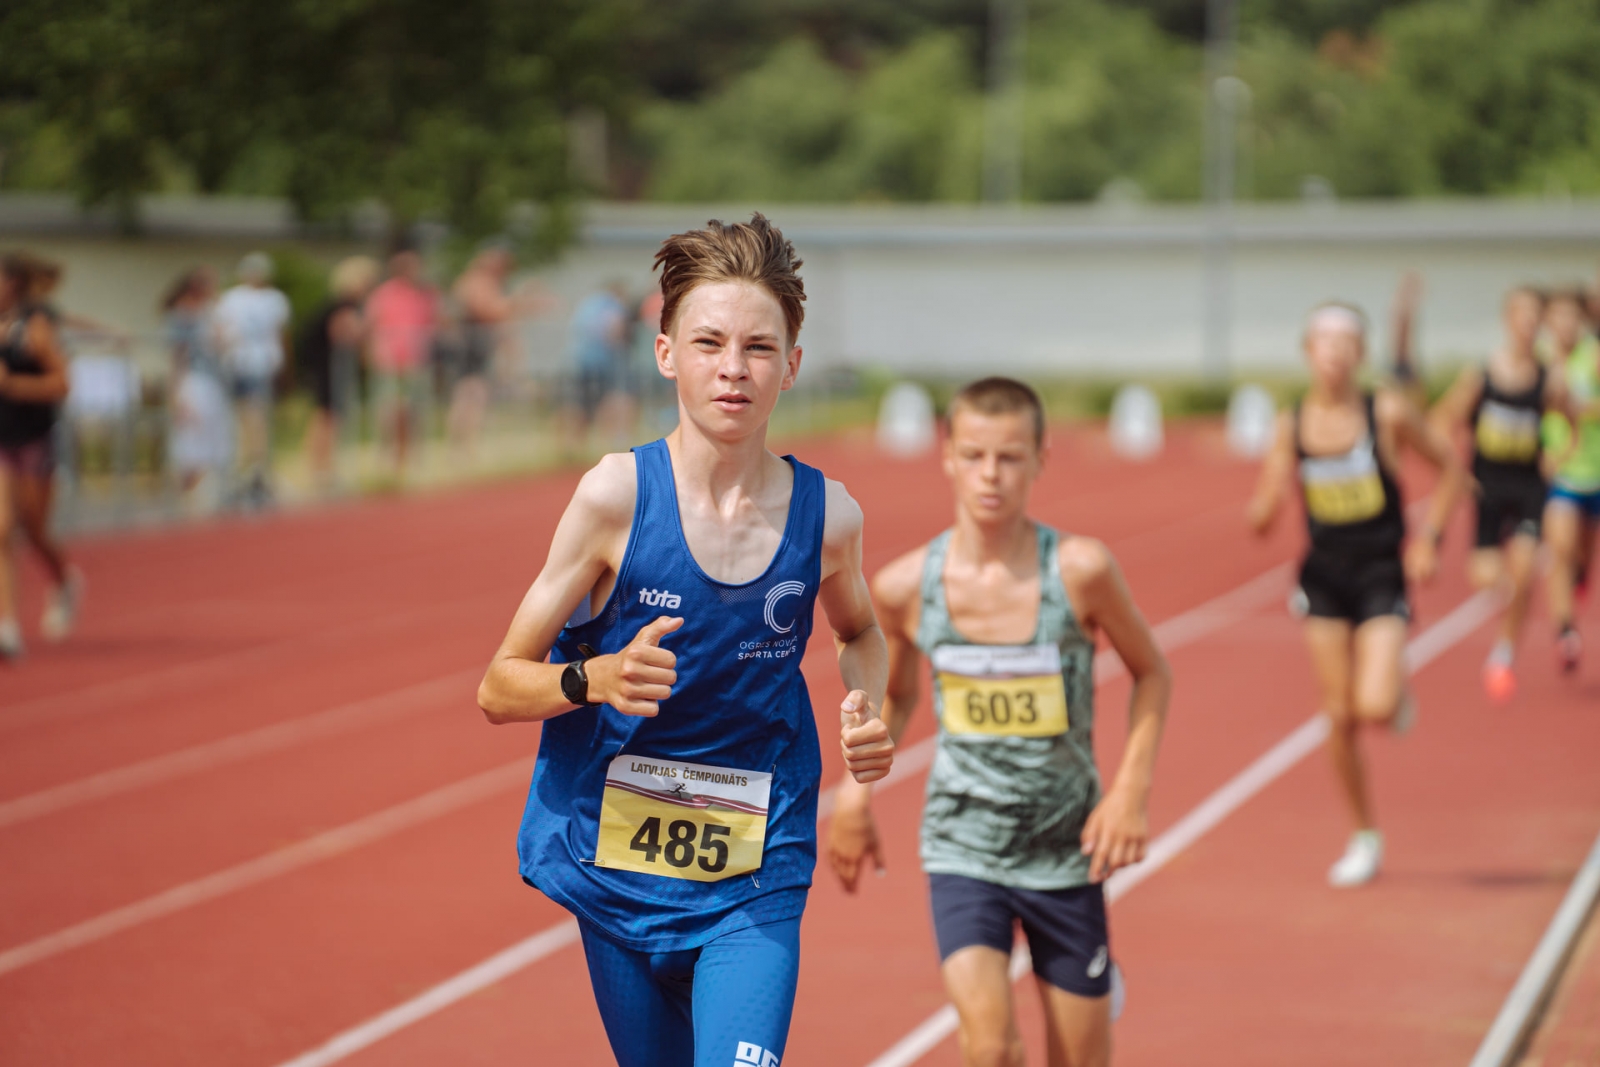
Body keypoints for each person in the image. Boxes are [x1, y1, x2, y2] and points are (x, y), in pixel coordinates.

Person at [477, 214, 893, 1067]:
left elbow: (861, 633)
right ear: (666, 352)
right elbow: (498, 685)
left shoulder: (831, 517)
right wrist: (592, 677)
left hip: (754, 870)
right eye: (708, 342)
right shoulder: (615, 498)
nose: (732, 369)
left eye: (758, 348)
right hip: (615, 872)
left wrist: (867, 704)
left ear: (793, 366)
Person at [826, 377, 1170, 1067]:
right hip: (963, 843)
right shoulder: (903, 588)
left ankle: (1094, 987)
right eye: (975, 454)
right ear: (948, 455)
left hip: (1066, 847)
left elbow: (1152, 672)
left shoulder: (1079, 570)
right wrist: (854, 797)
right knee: (990, 1049)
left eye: (1009, 456)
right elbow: (897, 698)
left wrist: (1130, 792)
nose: (991, 475)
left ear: (1042, 457)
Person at [1247, 303, 1465, 888]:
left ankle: (1393, 689)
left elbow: (1451, 469)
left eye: (1347, 342)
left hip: (1380, 572)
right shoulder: (1292, 423)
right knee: (1338, 715)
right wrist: (1262, 511)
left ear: (1361, 353)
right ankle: (1364, 834)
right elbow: (1269, 492)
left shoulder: (1386, 412)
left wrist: (1431, 539)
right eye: (1325, 341)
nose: (1335, 352)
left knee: (1372, 705)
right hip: (1322, 576)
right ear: (1308, 351)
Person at [1430, 287, 1573, 700]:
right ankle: (1508, 628)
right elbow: (1442, 420)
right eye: (1522, 316)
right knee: (1490, 578)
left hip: (1528, 486)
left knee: (1526, 571)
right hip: (1487, 487)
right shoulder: (1482, 376)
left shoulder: (1550, 380)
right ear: (1508, 319)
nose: (1529, 325)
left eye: (1536, 318)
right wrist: (1453, 466)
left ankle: (1503, 655)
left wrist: (1558, 453)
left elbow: (1571, 421)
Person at [0, 253, 81, 662]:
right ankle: (7, 627)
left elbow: (62, 382)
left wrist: (13, 384)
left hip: (33, 438)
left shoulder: (34, 326)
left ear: (12, 285)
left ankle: (64, 580)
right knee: (0, 529)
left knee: (33, 529)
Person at [1540, 286, 1600, 672]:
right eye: (1557, 316)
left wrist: (1581, 407)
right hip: (1559, 475)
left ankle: (1581, 574)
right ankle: (1565, 630)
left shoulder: (1592, 357)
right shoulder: (1540, 360)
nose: (1564, 324)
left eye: (1571, 317)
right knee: (1559, 550)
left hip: (1593, 471)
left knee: (1582, 553)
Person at [447, 243, 550, 458]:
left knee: (474, 396)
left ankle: (464, 447)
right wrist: (523, 301)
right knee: (470, 396)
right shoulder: (476, 282)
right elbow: (490, 311)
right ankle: (461, 448)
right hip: (470, 346)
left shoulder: (483, 282)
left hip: (477, 346)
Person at [213, 252, 291, 507]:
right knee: (239, 418)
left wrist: (284, 365)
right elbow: (221, 330)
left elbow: (280, 332)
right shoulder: (232, 298)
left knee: (257, 418)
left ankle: (256, 469)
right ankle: (242, 469)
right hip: (237, 362)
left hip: (262, 363)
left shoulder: (274, 299)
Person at [299, 256, 378, 490]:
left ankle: (325, 468)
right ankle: (321, 470)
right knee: (327, 418)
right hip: (327, 367)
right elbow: (344, 334)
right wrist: (368, 328)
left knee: (331, 418)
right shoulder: (343, 306)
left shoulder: (343, 305)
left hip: (331, 367)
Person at [163, 266, 235, 505]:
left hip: (214, 381)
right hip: (193, 381)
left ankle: (207, 492)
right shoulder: (182, 316)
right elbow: (176, 357)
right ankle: (185, 494)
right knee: (192, 440)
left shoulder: (210, 314)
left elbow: (225, 343)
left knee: (215, 439)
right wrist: (176, 394)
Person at [365, 249, 437, 477]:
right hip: (388, 361)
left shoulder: (422, 295)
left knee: (415, 409)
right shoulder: (383, 294)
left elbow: (431, 323)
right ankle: (387, 453)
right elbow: (371, 325)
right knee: (388, 409)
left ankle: (413, 454)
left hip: (415, 360)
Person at [566, 281, 631, 442]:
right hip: (603, 361)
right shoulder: (613, 306)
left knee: (582, 402)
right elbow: (615, 329)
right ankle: (611, 437)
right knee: (609, 399)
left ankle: (575, 440)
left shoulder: (587, 304)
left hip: (583, 360)